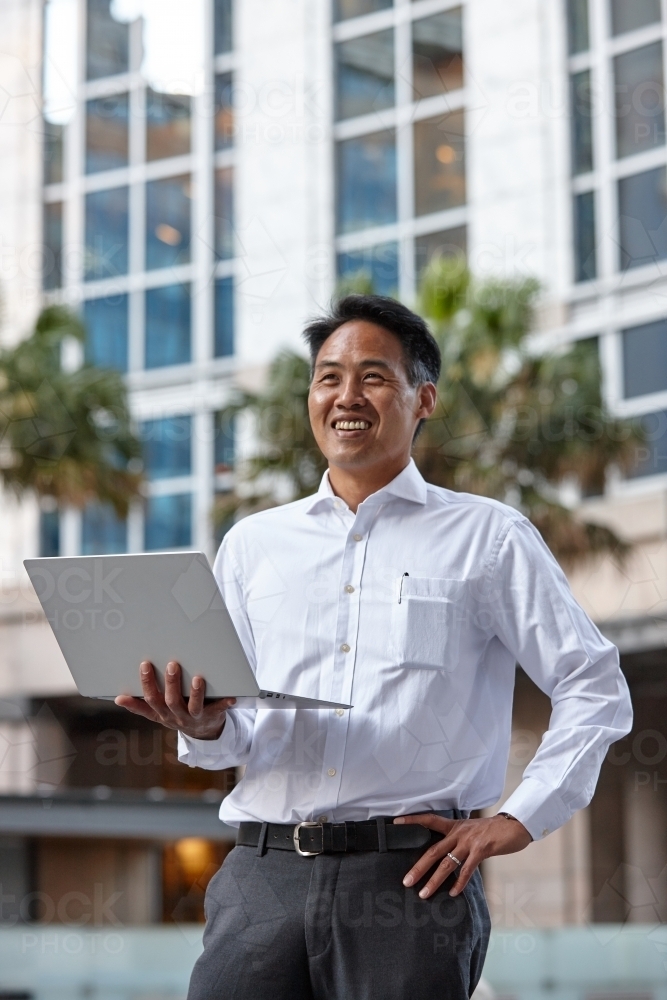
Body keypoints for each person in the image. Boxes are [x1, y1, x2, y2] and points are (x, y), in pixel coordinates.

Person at [117, 295, 633, 1000]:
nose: (345, 396)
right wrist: (201, 723)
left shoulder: (489, 538)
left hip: (408, 884)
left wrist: (520, 817)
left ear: (423, 399)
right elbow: (235, 724)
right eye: (328, 377)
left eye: (372, 377)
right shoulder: (252, 546)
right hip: (261, 878)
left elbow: (592, 684)